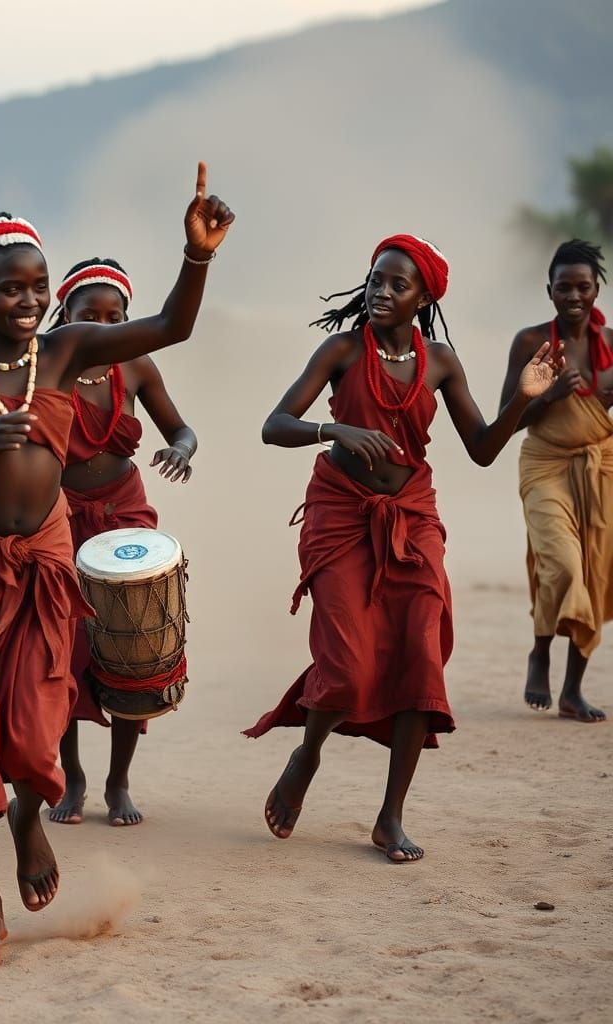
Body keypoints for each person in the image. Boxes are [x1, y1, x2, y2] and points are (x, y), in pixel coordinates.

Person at [0, 164, 232, 966]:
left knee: (40, 723)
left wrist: (198, 255)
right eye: (12, 288)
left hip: (44, 557)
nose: (30, 299)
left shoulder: (68, 350)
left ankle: (27, 817)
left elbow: (171, 327)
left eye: (39, 285)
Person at [244, 234, 560, 863]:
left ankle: (390, 817)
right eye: (376, 280)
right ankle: (308, 753)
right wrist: (333, 428)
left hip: (412, 516)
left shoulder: (440, 361)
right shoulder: (341, 350)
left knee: (421, 654)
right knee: (347, 665)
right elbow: (273, 425)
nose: (382, 292)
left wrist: (524, 397)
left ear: (423, 299)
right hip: (341, 514)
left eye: (398, 285)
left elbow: (483, 448)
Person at [44, 257, 196, 828]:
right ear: (65, 316)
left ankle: (118, 781)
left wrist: (181, 449)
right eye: (90, 314)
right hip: (57, 518)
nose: (103, 326)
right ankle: (72, 777)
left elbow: (180, 428)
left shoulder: (135, 366)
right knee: (61, 650)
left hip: (125, 518)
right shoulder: (46, 367)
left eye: (115, 317)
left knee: (132, 647)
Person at [502, 239, 612, 723]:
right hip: (545, 464)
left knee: (595, 574)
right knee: (562, 562)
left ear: (596, 289)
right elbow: (507, 418)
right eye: (563, 287)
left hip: (601, 465)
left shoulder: (612, 345)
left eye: (582, 286)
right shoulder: (531, 342)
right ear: (549, 291)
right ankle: (541, 651)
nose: (574, 295)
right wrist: (547, 396)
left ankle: (571, 690)